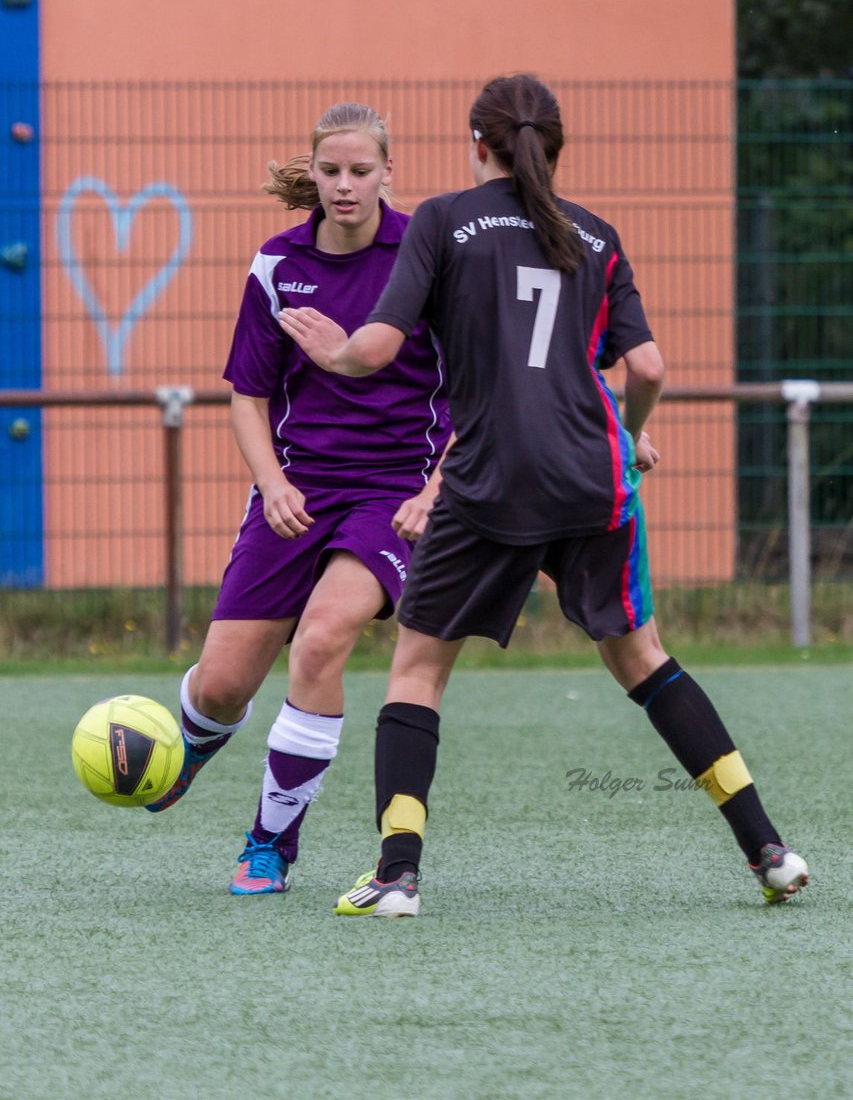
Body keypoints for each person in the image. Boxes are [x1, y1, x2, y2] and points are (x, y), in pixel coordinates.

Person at [280, 73, 809, 916]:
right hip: (590, 478)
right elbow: (648, 368)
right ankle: (769, 850)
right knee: (644, 661)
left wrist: (335, 352)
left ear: (475, 145)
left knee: (417, 670)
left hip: (489, 478)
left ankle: (397, 875)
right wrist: (632, 436)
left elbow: (377, 349)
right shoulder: (595, 235)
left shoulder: (445, 221)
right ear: (554, 150)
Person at [147, 102, 452, 898]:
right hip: (296, 493)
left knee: (320, 641)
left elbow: (482, 393)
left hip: (390, 496)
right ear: (310, 174)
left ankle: (268, 846)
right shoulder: (276, 265)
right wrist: (274, 483)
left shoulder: (427, 256)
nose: (344, 186)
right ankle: (192, 740)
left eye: (360, 171)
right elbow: (246, 396)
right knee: (219, 687)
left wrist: (435, 489)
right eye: (330, 171)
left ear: (389, 171)